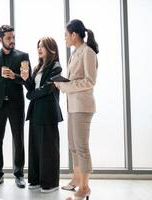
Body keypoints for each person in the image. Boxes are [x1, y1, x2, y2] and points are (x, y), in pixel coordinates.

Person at [55, 19, 99, 200]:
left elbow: (90, 81)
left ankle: (85, 187)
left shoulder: (88, 52)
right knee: (73, 146)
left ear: (74, 35)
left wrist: (65, 86)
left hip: (83, 106)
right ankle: (76, 179)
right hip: (73, 106)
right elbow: (75, 78)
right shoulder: (75, 53)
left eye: (66, 34)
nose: (65, 38)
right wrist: (61, 82)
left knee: (81, 147)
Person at [0, 25, 30, 188]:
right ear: (0, 39)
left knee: (18, 140)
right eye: (9, 38)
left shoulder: (23, 56)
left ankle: (19, 174)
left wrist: (15, 76)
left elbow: (27, 80)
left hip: (16, 104)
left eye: (13, 37)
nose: (12, 41)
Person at [21, 37, 63, 193]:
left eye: (43, 46)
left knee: (48, 149)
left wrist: (30, 95)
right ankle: (36, 179)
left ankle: (50, 183)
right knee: (35, 148)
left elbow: (47, 88)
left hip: (48, 112)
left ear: (51, 49)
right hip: (36, 111)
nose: (39, 49)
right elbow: (31, 86)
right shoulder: (38, 66)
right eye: (38, 46)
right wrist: (25, 79)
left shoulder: (56, 67)